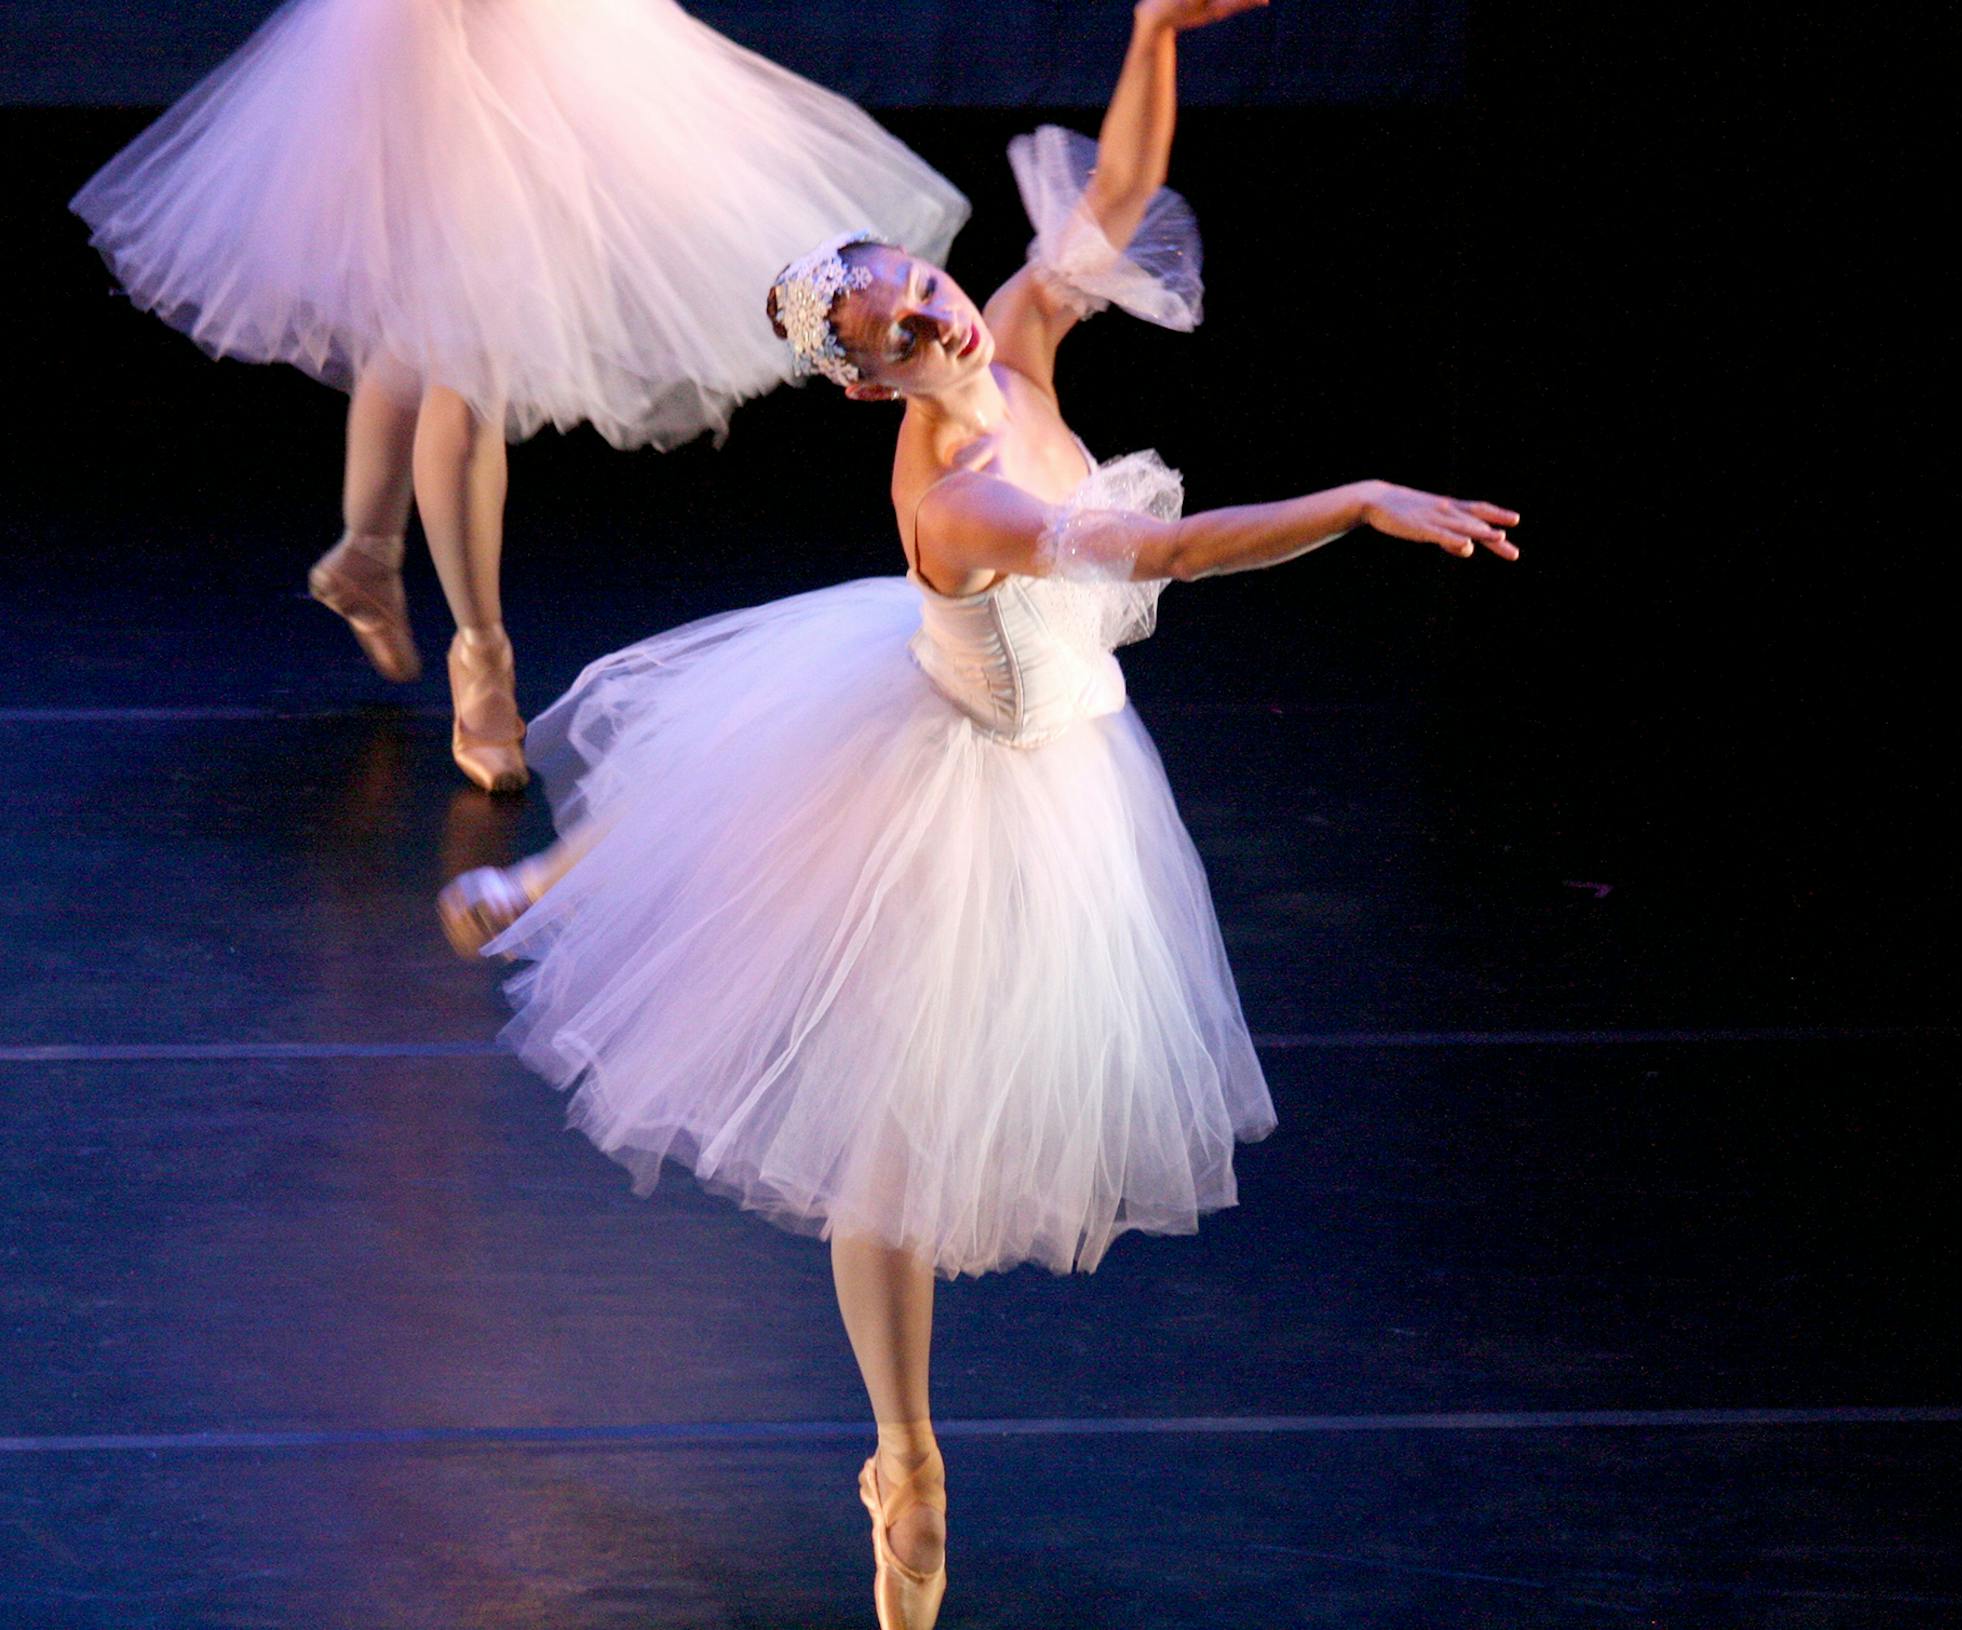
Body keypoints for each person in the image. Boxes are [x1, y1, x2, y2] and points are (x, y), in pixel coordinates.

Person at [439, 2, 1518, 1623]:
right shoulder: (962, 503)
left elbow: (1109, 207)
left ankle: (542, 883)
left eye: (930, 288)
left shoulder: (1009, 342)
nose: (942, 320)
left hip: (1020, 741)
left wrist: (1156, 31)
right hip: (963, 780)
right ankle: (907, 1458)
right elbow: (1172, 552)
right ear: (871, 386)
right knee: (891, 1155)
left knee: (714, 780)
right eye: (901, 328)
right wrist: (1360, 502)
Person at [70, 0, 967, 792]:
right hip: (436, 48)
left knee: (427, 322)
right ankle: (481, 658)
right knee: (467, 349)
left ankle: (366, 555)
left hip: (544, 41)